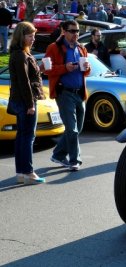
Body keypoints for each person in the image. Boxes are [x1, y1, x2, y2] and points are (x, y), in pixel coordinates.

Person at [44, 20, 91, 171]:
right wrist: (65, 68)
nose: (75, 34)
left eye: (77, 31)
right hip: (64, 93)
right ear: (63, 31)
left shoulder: (82, 48)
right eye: (72, 31)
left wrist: (87, 68)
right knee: (72, 129)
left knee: (78, 128)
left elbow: (86, 72)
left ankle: (58, 154)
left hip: (80, 93)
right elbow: (47, 70)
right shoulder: (54, 47)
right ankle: (74, 160)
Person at [8, 22, 46, 184]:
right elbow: (24, 82)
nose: (33, 39)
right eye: (30, 36)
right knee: (28, 137)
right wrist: (30, 104)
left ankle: (21, 173)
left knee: (22, 136)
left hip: (20, 100)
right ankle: (28, 173)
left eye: (34, 35)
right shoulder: (21, 55)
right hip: (25, 102)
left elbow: (28, 77)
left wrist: (41, 69)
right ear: (21, 36)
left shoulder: (19, 54)